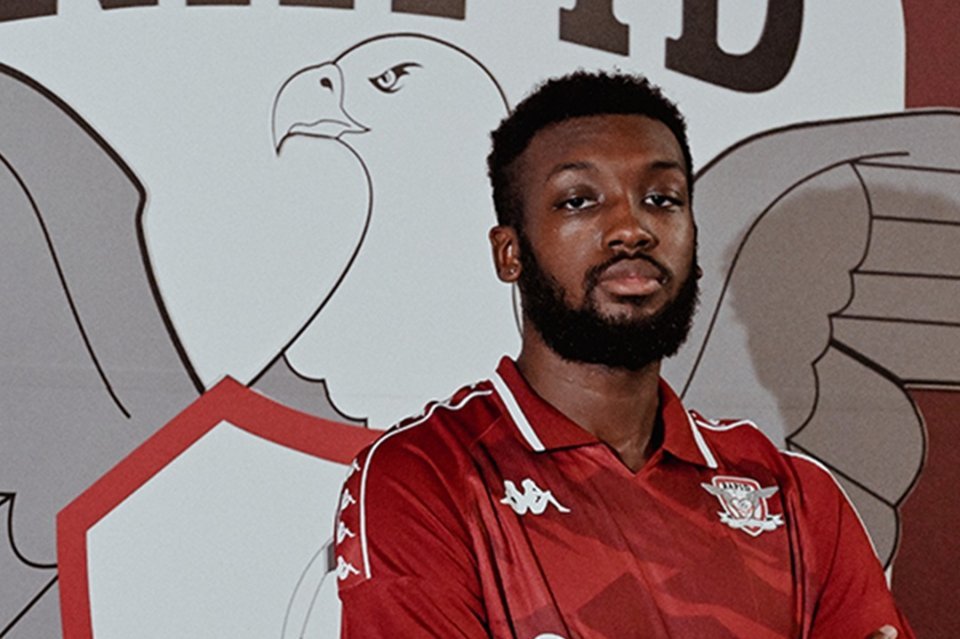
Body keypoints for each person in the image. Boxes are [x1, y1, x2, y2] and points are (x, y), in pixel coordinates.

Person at [334, 71, 914, 638]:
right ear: (510, 253)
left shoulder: (793, 495)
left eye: (662, 199)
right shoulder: (425, 477)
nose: (632, 229)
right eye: (579, 201)